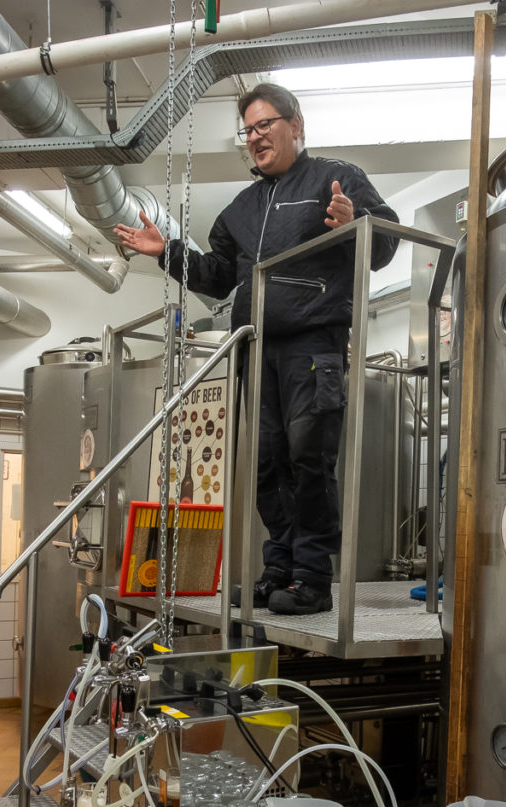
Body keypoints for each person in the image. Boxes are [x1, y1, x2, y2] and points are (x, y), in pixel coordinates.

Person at [114, 83, 399, 615]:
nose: (256, 137)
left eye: (265, 124)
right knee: (269, 463)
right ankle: (280, 568)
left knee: (309, 457)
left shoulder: (335, 181)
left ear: (297, 125)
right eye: (248, 130)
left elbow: (386, 244)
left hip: (313, 343)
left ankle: (313, 575)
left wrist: (356, 223)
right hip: (256, 348)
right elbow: (217, 278)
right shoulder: (240, 210)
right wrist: (165, 251)